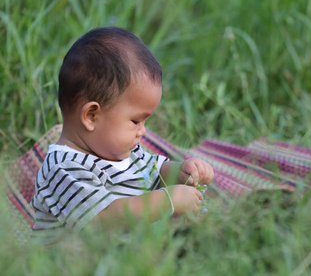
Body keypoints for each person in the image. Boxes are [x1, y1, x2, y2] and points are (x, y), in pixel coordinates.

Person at [31, 26, 214, 240]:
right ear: (91, 116)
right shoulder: (63, 168)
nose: (143, 131)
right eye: (135, 120)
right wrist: (167, 201)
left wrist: (183, 172)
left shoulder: (124, 153)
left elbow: (155, 172)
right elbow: (102, 220)